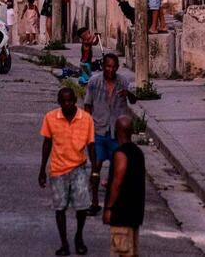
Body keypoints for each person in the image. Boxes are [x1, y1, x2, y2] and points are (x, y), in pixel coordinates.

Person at [39, 86, 97, 256]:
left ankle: (79, 237)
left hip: (78, 167)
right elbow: (47, 143)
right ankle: (64, 243)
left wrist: (95, 171)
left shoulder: (86, 119)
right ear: (59, 102)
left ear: (75, 101)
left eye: (71, 100)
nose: (68, 104)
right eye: (64, 101)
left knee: (81, 207)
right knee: (60, 207)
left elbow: (92, 146)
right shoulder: (50, 118)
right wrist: (42, 169)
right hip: (57, 169)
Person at [84, 53, 137, 215]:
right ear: (103, 66)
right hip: (99, 130)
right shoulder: (94, 82)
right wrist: (87, 127)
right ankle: (93, 202)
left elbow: (134, 100)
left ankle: (116, 202)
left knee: (119, 167)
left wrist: (128, 94)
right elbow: (87, 105)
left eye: (114, 67)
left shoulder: (124, 82)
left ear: (117, 68)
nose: (111, 70)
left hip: (117, 132)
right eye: (108, 66)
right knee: (96, 166)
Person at [102, 116, 145, 257]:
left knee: (121, 251)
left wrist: (109, 208)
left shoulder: (120, 153)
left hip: (122, 214)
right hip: (135, 213)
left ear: (117, 131)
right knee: (132, 252)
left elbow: (118, 182)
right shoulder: (138, 152)